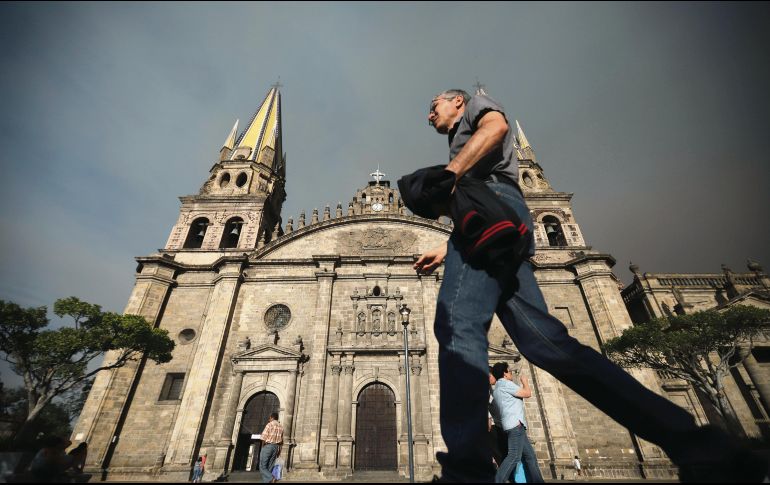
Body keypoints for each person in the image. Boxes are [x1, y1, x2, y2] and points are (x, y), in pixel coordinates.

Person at [415, 89, 768, 482]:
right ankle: (699, 445)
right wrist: (446, 248)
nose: (429, 116)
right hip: (498, 229)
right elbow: (480, 211)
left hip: (492, 224)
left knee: (457, 328)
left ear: (458, 102)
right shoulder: (462, 144)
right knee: (549, 345)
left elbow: (496, 128)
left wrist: (449, 174)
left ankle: (466, 469)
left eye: (434, 107)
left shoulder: (476, 113)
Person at [489, 362, 543, 483]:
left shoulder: (497, 388)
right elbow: (527, 393)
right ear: (504, 373)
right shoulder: (506, 384)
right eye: (509, 371)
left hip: (512, 425)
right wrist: (525, 382)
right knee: (514, 456)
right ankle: (498, 480)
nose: (511, 373)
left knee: (530, 457)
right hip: (516, 425)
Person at [258, 412, 283, 483]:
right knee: (270, 467)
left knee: (262, 466)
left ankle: (272, 478)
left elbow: (263, 437)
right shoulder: (281, 427)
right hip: (276, 447)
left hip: (268, 446)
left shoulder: (270, 424)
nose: (269, 419)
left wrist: (263, 447)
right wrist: (279, 452)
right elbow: (281, 441)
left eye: (269, 418)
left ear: (272, 417)